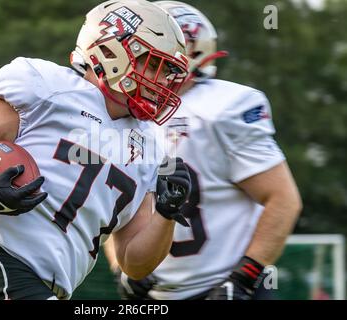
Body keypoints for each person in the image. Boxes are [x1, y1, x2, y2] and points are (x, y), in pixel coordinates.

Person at [0, 0, 193, 300]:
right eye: (155, 63)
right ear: (112, 49)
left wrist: (167, 213)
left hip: (42, 288)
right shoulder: (50, 89)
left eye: (168, 71)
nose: (164, 80)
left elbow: (133, 262)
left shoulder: (149, 146)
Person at [105, 1, 303, 300]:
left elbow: (283, 200)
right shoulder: (120, 113)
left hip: (225, 288)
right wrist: (120, 265)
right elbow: (114, 203)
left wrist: (244, 278)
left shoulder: (224, 107)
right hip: (155, 293)